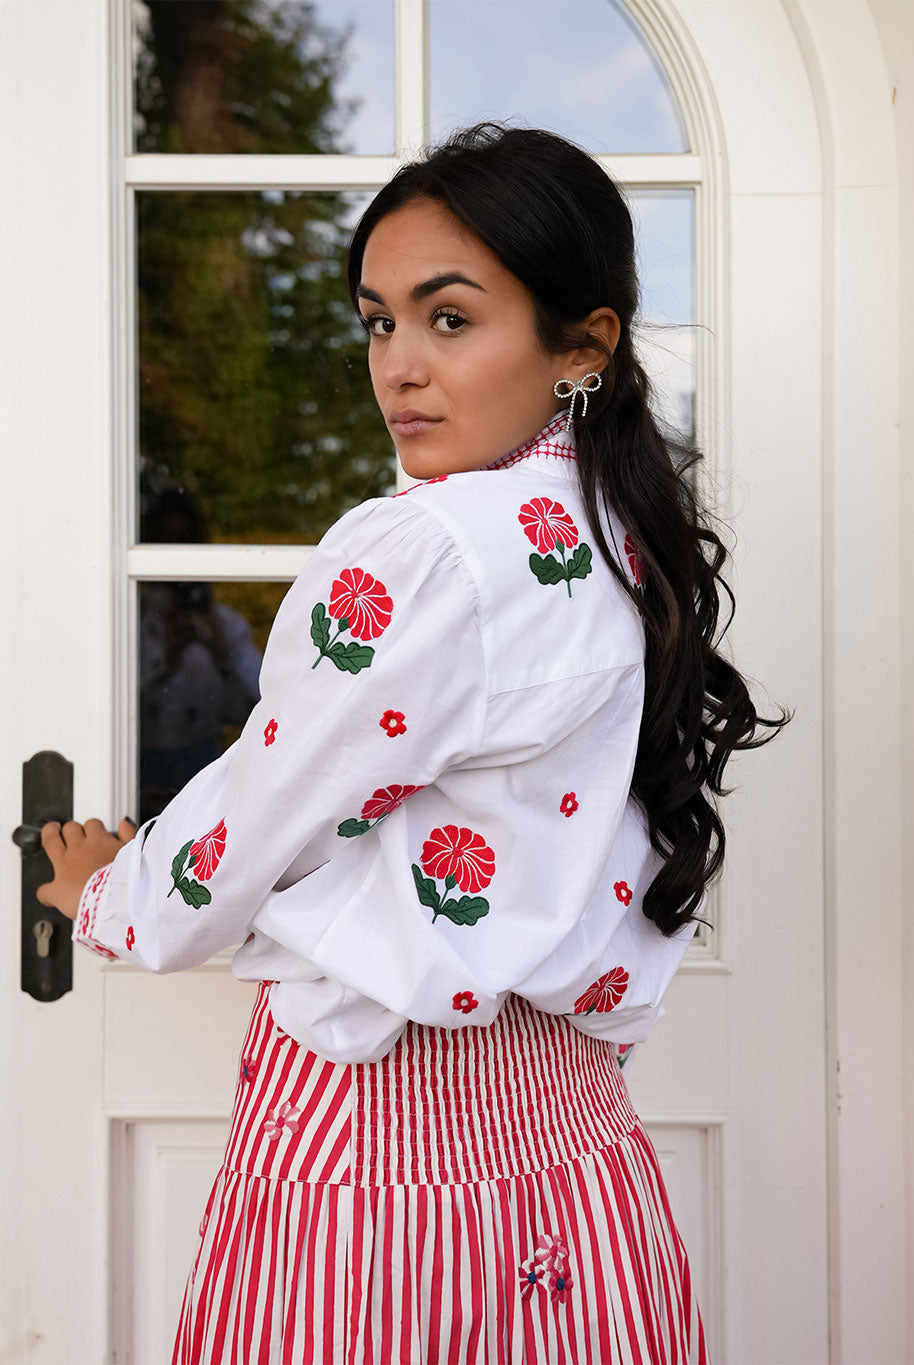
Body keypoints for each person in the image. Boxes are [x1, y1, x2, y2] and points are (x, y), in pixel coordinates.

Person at [37, 121, 790, 1364]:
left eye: (449, 319)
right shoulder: (619, 534)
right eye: (378, 321)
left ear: (582, 344)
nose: (399, 366)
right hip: (575, 1160)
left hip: (377, 1162)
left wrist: (112, 893)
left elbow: (275, 793)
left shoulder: (429, 550)